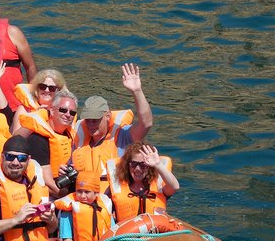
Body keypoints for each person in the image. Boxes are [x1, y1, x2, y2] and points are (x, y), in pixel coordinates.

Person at [67, 63, 154, 194]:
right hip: (84, 197)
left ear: (108, 116)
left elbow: (146, 123)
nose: (90, 124)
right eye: (88, 120)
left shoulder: (123, 136)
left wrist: (137, 91)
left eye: (95, 120)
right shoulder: (79, 140)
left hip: (113, 201)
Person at [0, 135, 57, 241]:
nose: (16, 162)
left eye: (22, 158)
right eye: (10, 157)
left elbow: (51, 229)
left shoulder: (34, 184)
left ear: (28, 160)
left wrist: (51, 220)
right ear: (2, 157)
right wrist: (16, 219)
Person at [15, 90, 78, 198]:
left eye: (72, 112)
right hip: (49, 198)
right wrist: (71, 196)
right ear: (52, 111)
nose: (68, 115)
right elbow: (49, 185)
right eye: (63, 110)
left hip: (69, 192)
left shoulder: (71, 136)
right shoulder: (38, 140)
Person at [106, 142, 179, 221]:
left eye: (143, 165)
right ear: (127, 165)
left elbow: (174, 187)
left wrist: (158, 164)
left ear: (149, 166)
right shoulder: (116, 186)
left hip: (156, 231)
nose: (138, 169)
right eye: (133, 164)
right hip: (127, 232)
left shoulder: (159, 186)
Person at [54, 171, 115, 241]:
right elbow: (67, 240)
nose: (82, 196)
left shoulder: (105, 207)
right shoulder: (68, 210)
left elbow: (113, 233)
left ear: (96, 193)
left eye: (87, 192)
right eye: (79, 191)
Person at [12, 68, 67, 133]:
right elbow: (16, 138)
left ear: (58, 90)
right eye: (42, 86)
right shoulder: (24, 109)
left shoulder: (64, 111)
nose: (46, 90)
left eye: (52, 88)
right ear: (37, 88)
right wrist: (35, 117)